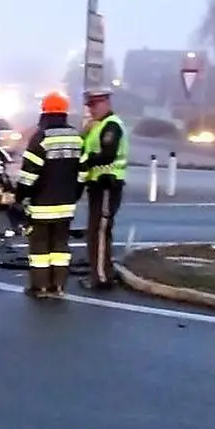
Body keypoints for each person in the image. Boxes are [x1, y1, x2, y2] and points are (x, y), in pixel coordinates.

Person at [16, 92, 88, 299]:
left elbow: (29, 174)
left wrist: (20, 197)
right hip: (66, 204)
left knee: (39, 248)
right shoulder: (76, 137)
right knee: (60, 247)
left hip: (42, 205)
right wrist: (75, 194)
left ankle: (40, 287)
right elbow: (82, 172)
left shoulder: (41, 137)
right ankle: (59, 286)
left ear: (45, 113)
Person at [81, 87, 128, 289]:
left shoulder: (112, 126)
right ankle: (100, 271)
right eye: (90, 106)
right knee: (96, 231)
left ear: (106, 103)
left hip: (107, 184)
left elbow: (107, 155)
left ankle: (101, 277)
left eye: (95, 105)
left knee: (99, 232)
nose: (91, 110)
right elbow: (85, 149)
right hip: (97, 186)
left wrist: (85, 162)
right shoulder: (97, 126)